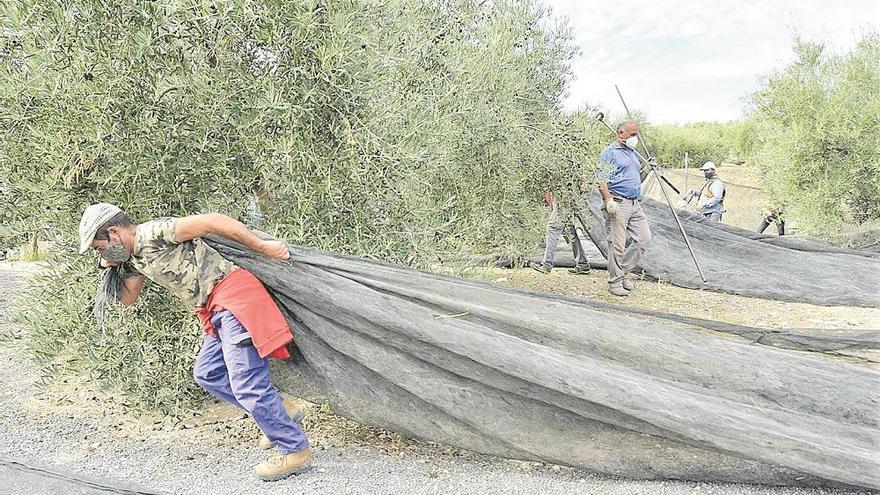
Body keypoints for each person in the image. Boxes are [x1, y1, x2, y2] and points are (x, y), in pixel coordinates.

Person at [78, 203, 312, 481]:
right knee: (208, 373)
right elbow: (128, 300)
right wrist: (108, 266)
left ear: (114, 232)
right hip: (215, 310)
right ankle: (281, 410)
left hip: (235, 298)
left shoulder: (154, 232)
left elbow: (213, 221)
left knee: (247, 383)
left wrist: (263, 246)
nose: (101, 252)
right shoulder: (133, 258)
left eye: (99, 247)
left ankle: (295, 450)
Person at [597, 120, 652, 297]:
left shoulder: (632, 153)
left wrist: (647, 170)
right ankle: (614, 282)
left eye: (637, 134)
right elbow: (601, 179)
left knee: (643, 239)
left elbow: (637, 180)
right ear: (620, 133)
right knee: (617, 245)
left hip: (635, 203)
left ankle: (622, 272)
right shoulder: (610, 153)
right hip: (617, 203)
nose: (635, 137)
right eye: (632, 134)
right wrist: (608, 201)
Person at [529, 190, 591, 275]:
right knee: (569, 232)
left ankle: (546, 264)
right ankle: (582, 263)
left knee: (553, 228)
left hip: (563, 197)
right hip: (565, 197)